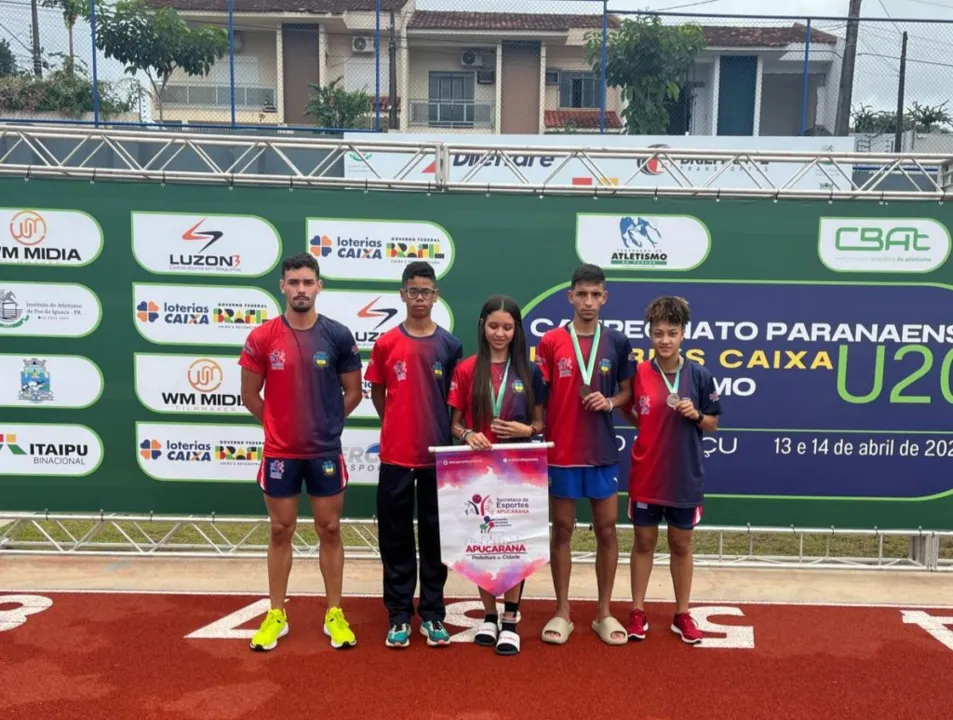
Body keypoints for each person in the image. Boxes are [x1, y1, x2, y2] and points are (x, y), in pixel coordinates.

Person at [239, 252, 363, 652]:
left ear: (319, 286)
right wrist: (279, 427)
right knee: (280, 530)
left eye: (308, 282)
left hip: (324, 450)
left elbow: (354, 392)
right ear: (282, 286)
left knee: (329, 529)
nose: (301, 290)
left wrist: (325, 425)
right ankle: (277, 612)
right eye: (294, 282)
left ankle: (334, 612)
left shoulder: (339, 335)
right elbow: (248, 395)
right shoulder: (262, 337)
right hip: (280, 453)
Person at [534, 263, 635, 646]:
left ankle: (604, 613)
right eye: (582, 294)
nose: (589, 301)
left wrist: (609, 401)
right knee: (562, 531)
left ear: (604, 298)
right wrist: (536, 426)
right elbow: (539, 396)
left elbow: (627, 393)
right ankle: (562, 612)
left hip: (601, 452)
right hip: (561, 452)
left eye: (596, 294)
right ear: (570, 296)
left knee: (607, 531)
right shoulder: (550, 341)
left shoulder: (617, 342)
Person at [365, 260, 464, 649]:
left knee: (436, 538)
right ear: (402, 295)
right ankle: (399, 614)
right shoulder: (386, 343)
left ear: (435, 296)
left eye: (426, 291)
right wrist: (396, 424)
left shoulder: (450, 345)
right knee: (395, 538)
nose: (419, 298)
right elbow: (377, 391)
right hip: (395, 457)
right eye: (412, 291)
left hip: (437, 457)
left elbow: (456, 402)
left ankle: (434, 613)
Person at [447, 295, 546, 656]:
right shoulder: (466, 369)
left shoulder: (531, 371)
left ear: (517, 330)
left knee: (513, 544)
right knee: (483, 545)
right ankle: (489, 616)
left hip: (518, 472)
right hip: (476, 471)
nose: (500, 333)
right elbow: (454, 424)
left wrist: (526, 431)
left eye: (507, 327)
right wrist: (467, 435)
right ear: (482, 326)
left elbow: (540, 424)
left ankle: (511, 620)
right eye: (493, 326)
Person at [620, 296, 722, 645]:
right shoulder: (638, 375)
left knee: (681, 544)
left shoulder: (700, 375)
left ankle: (682, 613)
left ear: (683, 335)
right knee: (643, 542)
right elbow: (627, 410)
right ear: (649, 334)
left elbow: (712, 424)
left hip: (684, 475)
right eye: (658, 333)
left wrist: (695, 415)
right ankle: (637, 610)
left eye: (672, 333)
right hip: (647, 474)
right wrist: (645, 428)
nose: (665, 339)